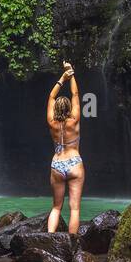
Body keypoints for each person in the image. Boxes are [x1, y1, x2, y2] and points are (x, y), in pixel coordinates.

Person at [46, 61, 84, 234]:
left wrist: (62, 77)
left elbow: (51, 97)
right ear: (69, 108)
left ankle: (50, 239)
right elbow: (75, 93)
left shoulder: (51, 122)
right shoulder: (74, 120)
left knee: (56, 207)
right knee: (74, 208)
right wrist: (71, 74)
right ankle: (71, 243)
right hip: (74, 162)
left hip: (57, 164)